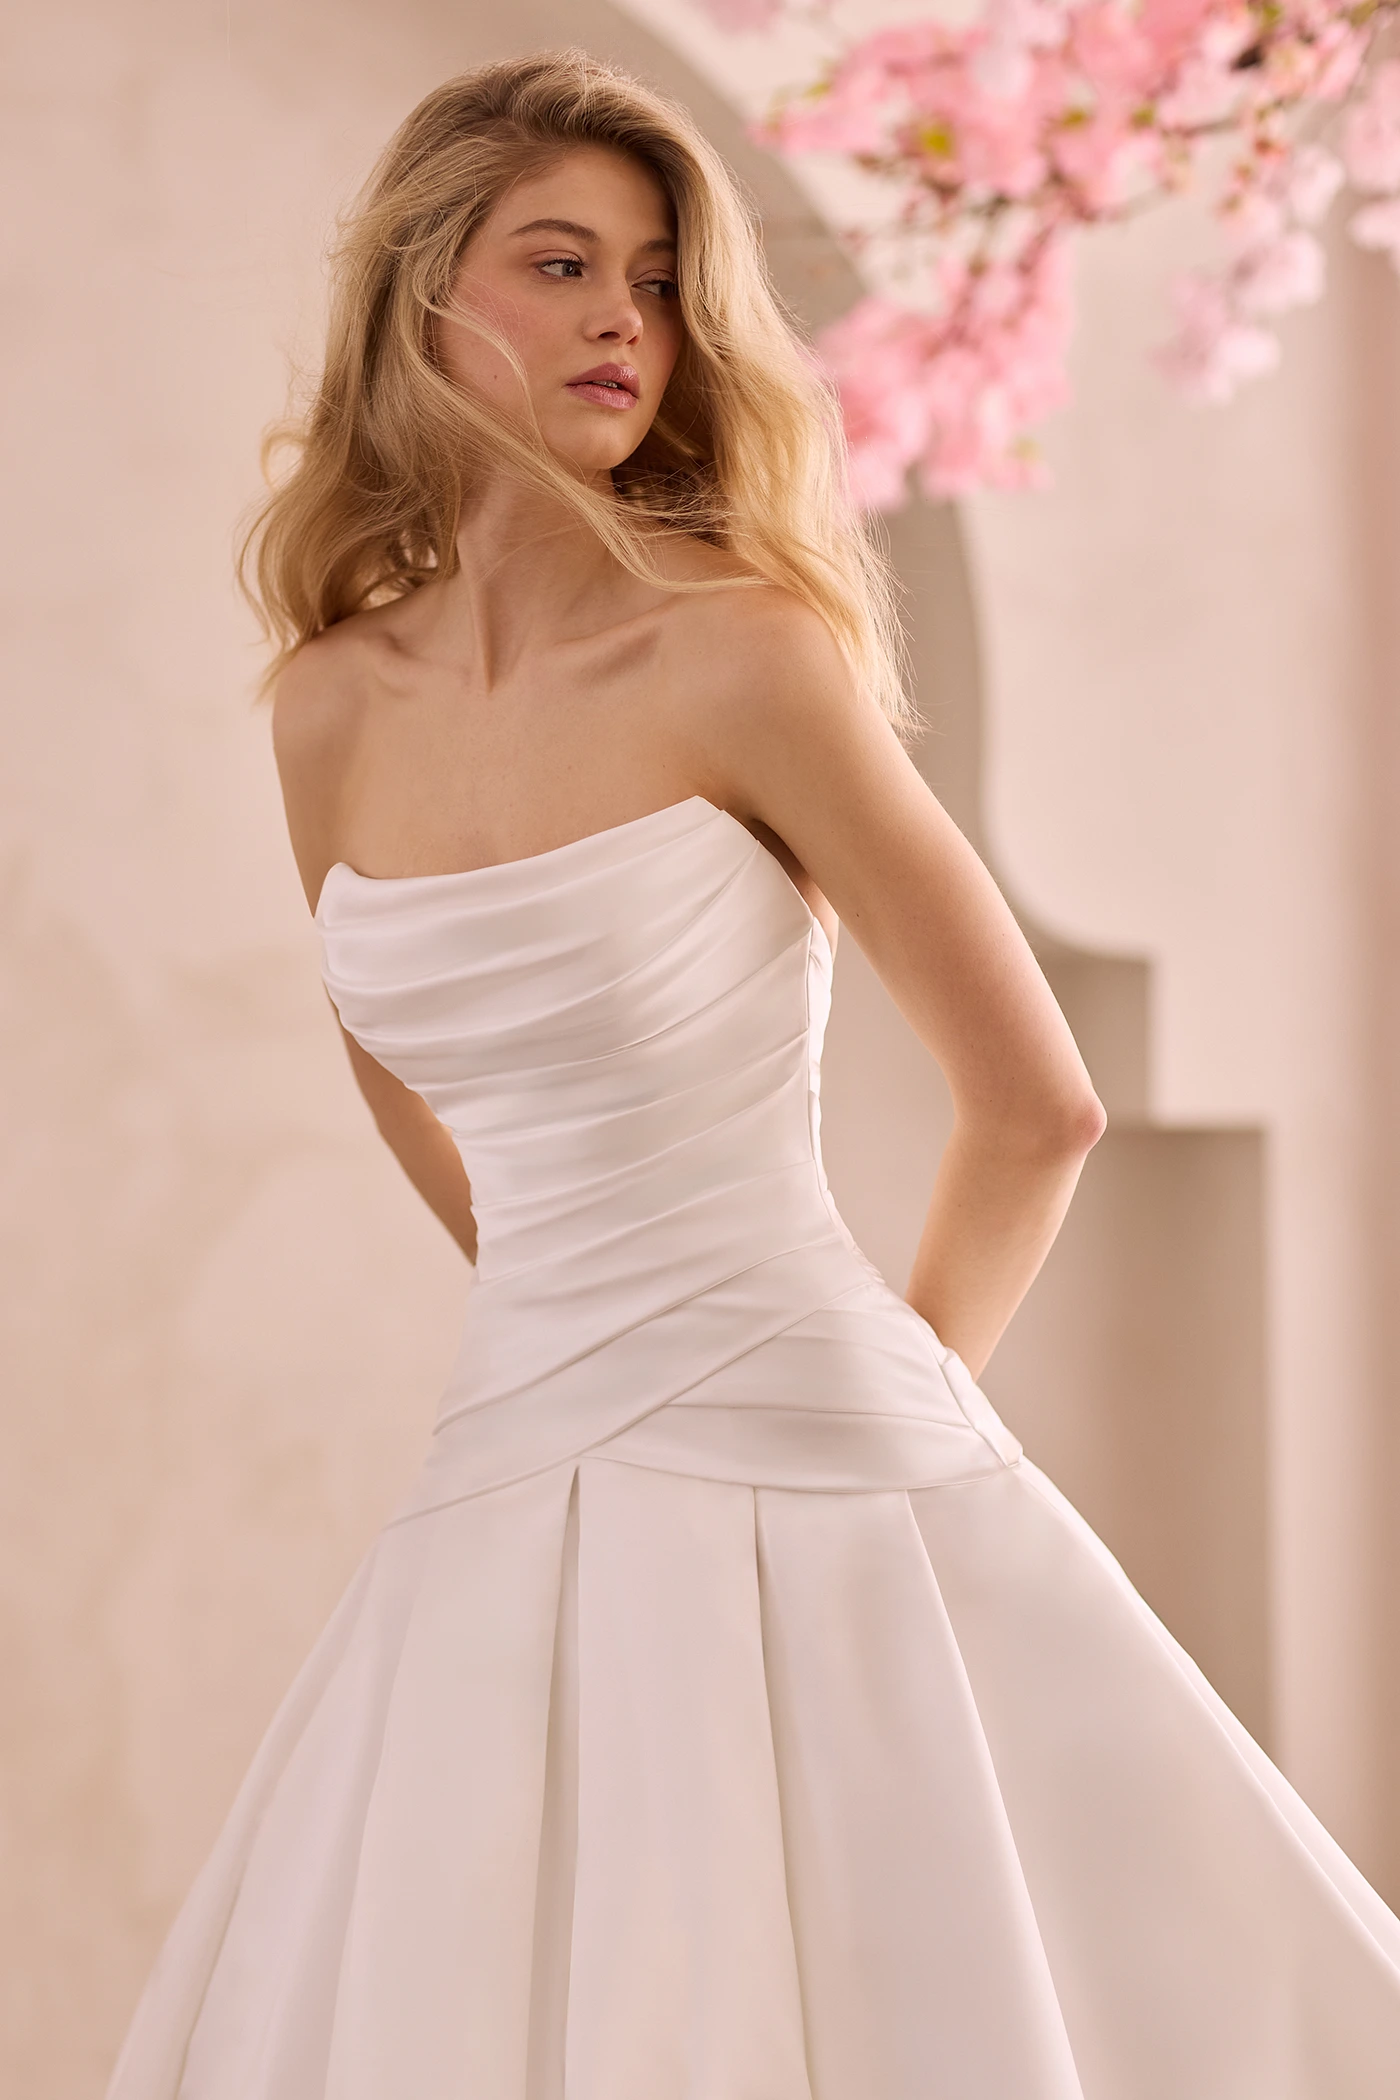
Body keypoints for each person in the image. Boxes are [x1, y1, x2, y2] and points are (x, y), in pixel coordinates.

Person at [106, 48, 1400, 2100]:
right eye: (560, 263)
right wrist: (579, 1332)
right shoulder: (327, 704)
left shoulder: (741, 651)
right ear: (422, 296)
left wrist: (857, 1395)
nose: (628, 317)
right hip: (508, 1464)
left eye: (653, 276)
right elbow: (396, 1055)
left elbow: (1037, 1102)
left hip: (811, 1442)